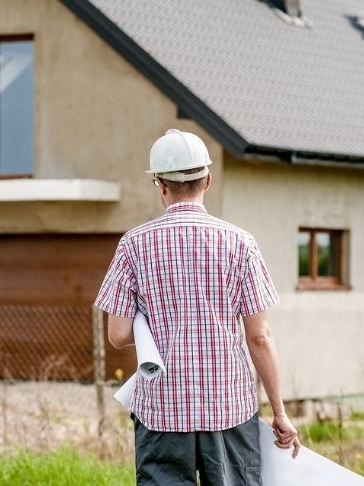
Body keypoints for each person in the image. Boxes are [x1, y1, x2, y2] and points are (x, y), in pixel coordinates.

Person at [95, 128, 299, 485]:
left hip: (161, 412)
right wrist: (279, 412)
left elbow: (117, 334)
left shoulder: (133, 245)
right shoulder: (240, 244)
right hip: (228, 409)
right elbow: (260, 338)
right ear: (207, 180)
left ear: (159, 184)